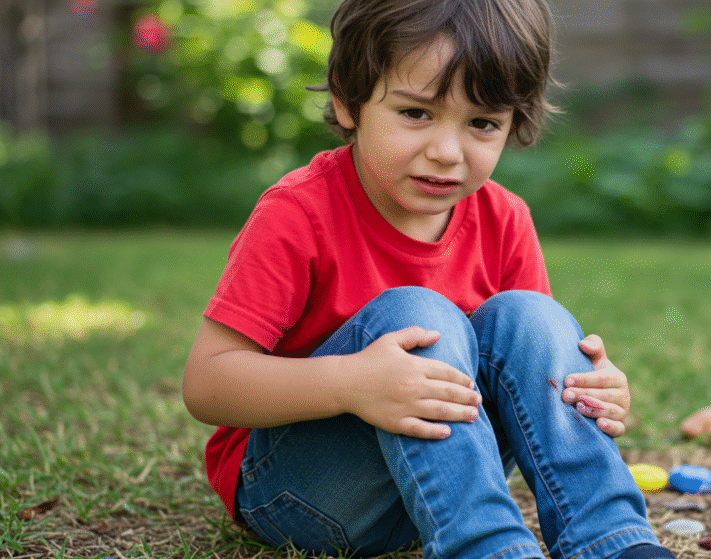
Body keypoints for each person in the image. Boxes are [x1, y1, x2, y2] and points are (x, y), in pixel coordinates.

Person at [182, 1, 674, 558]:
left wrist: (587, 386)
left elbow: (529, 376)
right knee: (418, 317)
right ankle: (486, 549)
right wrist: (353, 383)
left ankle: (612, 541)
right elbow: (207, 385)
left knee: (533, 320)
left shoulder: (505, 219)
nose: (445, 153)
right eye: (416, 113)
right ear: (349, 99)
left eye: (482, 123)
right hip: (307, 495)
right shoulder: (298, 214)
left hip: (435, 497)